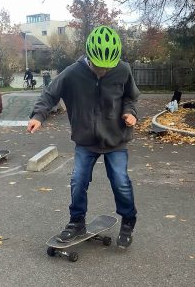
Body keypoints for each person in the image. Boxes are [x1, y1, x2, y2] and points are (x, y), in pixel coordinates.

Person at [27, 25, 140, 248]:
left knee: (121, 182)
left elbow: (130, 96)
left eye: (108, 67)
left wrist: (130, 112)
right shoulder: (72, 72)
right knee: (78, 180)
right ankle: (76, 222)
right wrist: (38, 115)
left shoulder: (123, 69)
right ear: (90, 56)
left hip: (116, 139)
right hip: (86, 140)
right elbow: (50, 93)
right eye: (99, 67)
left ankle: (128, 220)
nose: (104, 71)